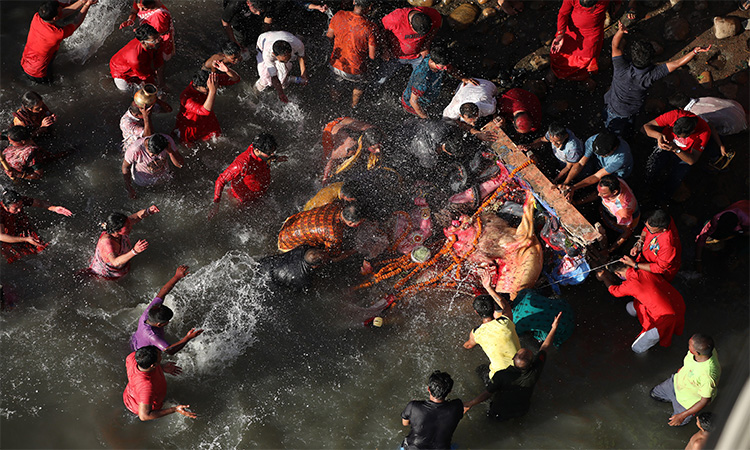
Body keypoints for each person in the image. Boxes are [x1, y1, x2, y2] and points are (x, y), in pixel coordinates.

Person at [604, 21, 711, 136]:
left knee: (612, 127)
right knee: (627, 125)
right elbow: (676, 63)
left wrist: (620, 31)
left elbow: (615, 45)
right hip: (630, 111)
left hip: (611, 104)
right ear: (650, 59)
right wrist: (694, 51)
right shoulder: (651, 76)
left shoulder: (620, 66)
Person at [463, 311, 562, 421]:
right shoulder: (535, 369)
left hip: (499, 412)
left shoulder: (501, 375)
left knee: (481, 370)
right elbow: (544, 347)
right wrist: (554, 327)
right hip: (522, 410)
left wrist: (470, 404)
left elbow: (487, 394)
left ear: (513, 358)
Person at [598, 261, 685, 353]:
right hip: (677, 303)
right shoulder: (644, 268)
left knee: (636, 348)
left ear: (618, 274)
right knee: (630, 307)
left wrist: (604, 278)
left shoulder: (630, 285)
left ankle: (653, 350)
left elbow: (614, 291)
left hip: (666, 319)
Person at [463, 268, 521, 383]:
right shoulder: (506, 322)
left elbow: (469, 346)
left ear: (476, 312)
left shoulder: (477, 333)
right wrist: (488, 288)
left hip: (499, 377)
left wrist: (463, 345)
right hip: (521, 368)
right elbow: (505, 305)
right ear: (494, 308)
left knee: (480, 369)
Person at [130, 265, 204, 353]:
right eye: (167, 322)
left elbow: (163, 292)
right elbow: (169, 350)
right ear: (159, 325)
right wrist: (188, 338)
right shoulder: (152, 336)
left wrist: (177, 277)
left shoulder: (150, 312)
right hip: (142, 352)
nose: (168, 322)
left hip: (135, 340)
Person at [650, 334, 721, 426]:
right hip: (675, 382)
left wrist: (682, 416)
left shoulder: (707, 375)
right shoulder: (704, 351)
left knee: (675, 423)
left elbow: (705, 401)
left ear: (697, 352)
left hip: (687, 403)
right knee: (654, 394)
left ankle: (683, 416)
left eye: (689, 345)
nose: (688, 346)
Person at [209, 133, 285, 218]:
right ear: (257, 150)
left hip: (261, 193)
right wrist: (216, 204)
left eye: (273, 152)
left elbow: (268, 156)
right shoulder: (242, 164)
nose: (272, 155)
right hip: (242, 200)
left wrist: (276, 159)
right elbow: (221, 180)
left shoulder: (263, 154)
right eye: (269, 153)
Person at [20, 0, 97, 84]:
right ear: (55, 18)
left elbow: (62, 13)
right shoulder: (57, 34)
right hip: (39, 73)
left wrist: (83, 1)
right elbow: (76, 22)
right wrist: (87, 5)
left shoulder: (37, 17)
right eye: (60, 9)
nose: (62, 9)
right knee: (52, 85)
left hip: (25, 63)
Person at [643, 110, 712, 202]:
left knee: (676, 178)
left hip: (684, 154)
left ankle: (662, 199)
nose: (677, 138)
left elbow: (692, 160)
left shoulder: (703, 131)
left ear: (692, 131)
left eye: (681, 137)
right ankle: (647, 187)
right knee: (654, 166)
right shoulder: (675, 115)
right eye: (675, 134)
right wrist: (658, 136)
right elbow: (645, 127)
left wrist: (676, 149)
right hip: (666, 146)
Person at [123, 345, 197, 421]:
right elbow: (144, 416)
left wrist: (162, 367)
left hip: (132, 395)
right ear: (153, 365)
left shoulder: (133, 357)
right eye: (160, 356)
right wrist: (175, 409)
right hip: (141, 407)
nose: (161, 356)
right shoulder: (146, 386)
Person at [326, 0, 377, 108]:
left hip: (336, 65)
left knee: (336, 84)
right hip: (356, 71)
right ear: (369, 8)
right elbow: (372, 56)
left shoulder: (339, 14)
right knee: (360, 84)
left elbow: (329, 36)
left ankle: (334, 104)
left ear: (354, 2)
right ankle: (353, 105)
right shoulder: (369, 27)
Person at [401, 48, 477, 120]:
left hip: (429, 97)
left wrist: (464, 79)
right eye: (443, 67)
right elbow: (413, 101)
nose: (446, 68)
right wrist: (426, 119)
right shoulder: (422, 77)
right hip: (413, 106)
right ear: (432, 62)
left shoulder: (438, 57)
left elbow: (450, 69)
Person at [548, 0, 609, 89]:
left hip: (592, 33)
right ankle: (554, 71)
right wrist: (560, 35)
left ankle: (581, 77)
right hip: (572, 30)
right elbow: (563, 13)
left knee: (587, 57)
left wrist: (618, 5)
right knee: (560, 53)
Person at [0, 189, 72, 264]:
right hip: (8, 238)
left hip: (23, 229)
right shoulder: (1, 212)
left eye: (21, 206)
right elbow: (1, 236)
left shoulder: (19, 200)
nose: (19, 210)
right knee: (18, 262)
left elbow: (40, 203)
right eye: (15, 209)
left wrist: (54, 208)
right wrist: (25, 239)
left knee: (44, 251)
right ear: (6, 207)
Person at [87, 205, 158, 279]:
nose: (131, 227)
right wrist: (134, 251)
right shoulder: (107, 242)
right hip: (107, 276)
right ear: (117, 230)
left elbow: (137, 216)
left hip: (123, 266)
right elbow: (115, 262)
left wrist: (148, 211)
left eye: (129, 225)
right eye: (127, 227)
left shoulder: (122, 225)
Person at [400, 370, 464, 450]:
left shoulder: (413, 406)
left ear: (428, 389)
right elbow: (465, 407)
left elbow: (405, 423)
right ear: (450, 391)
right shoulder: (457, 406)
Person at [379, 5, 442, 84]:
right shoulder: (395, 18)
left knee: (422, 81)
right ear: (410, 25)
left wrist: (426, 45)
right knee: (381, 78)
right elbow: (381, 31)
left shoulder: (433, 14)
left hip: (418, 56)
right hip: (394, 56)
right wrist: (385, 49)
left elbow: (436, 27)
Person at [277, 201, 363, 258]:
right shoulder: (334, 234)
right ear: (351, 224)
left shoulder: (337, 204)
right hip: (287, 244)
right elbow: (333, 257)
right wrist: (356, 249)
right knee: (319, 258)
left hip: (289, 224)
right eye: (360, 222)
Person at [562, 131, 633, 198]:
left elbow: (596, 176)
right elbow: (581, 163)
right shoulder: (593, 141)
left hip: (616, 173)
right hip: (600, 164)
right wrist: (566, 183)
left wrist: (574, 187)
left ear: (614, 149)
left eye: (604, 155)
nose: (601, 155)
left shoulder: (620, 158)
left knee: (605, 190)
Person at [621, 209, 681, 282]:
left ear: (663, 230)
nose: (647, 230)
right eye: (647, 226)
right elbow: (645, 230)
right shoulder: (660, 219)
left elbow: (660, 268)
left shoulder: (668, 245)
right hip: (645, 257)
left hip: (659, 273)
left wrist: (635, 265)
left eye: (651, 231)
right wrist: (639, 243)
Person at [122, 133, 184, 199]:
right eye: (152, 153)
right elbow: (125, 167)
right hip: (142, 182)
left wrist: (170, 152)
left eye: (156, 154)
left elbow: (180, 165)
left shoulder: (167, 141)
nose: (152, 156)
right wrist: (129, 188)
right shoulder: (135, 149)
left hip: (164, 177)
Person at [175, 71, 230, 145]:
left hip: (209, 121)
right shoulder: (186, 97)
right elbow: (205, 111)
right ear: (196, 86)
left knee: (219, 142)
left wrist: (227, 70)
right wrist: (212, 91)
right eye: (207, 89)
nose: (209, 89)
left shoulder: (209, 82)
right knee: (188, 148)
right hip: (192, 126)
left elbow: (235, 79)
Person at [588, 175, 639, 252]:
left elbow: (628, 231)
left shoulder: (622, 210)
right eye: (599, 192)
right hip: (610, 214)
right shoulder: (613, 181)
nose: (599, 195)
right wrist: (577, 202)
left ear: (615, 192)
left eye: (603, 194)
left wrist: (610, 250)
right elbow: (598, 194)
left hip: (621, 223)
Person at [695, 200, 749, 271]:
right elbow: (701, 237)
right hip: (739, 209)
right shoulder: (716, 219)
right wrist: (698, 260)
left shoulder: (747, 221)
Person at [254, 31, 307, 104]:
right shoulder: (267, 54)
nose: (286, 62)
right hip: (262, 46)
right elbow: (274, 77)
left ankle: (290, 79)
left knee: (282, 79)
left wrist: (303, 75)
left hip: (286, 40)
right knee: (265, 79)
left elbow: (301, 57)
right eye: (283, 61)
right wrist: (281, 93)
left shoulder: (298, 45)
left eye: (288, 59)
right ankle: (255, 92)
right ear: (274, 55)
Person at [109, 23, 165, 92]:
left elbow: (159, 61)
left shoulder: (156, 42)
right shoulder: (135, 59)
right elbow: (145, 77)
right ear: (143, 42)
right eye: (154, 41)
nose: (158, 41)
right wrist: (157, 89)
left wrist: (161, 83)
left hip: (137, 62)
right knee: (127, 90)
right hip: (120, 71)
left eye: (158, 37)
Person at [257, 246, 328, 291]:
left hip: (264, 263)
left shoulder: (301, 248)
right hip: (268, 282)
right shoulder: (304, 280)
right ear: (315, 266)